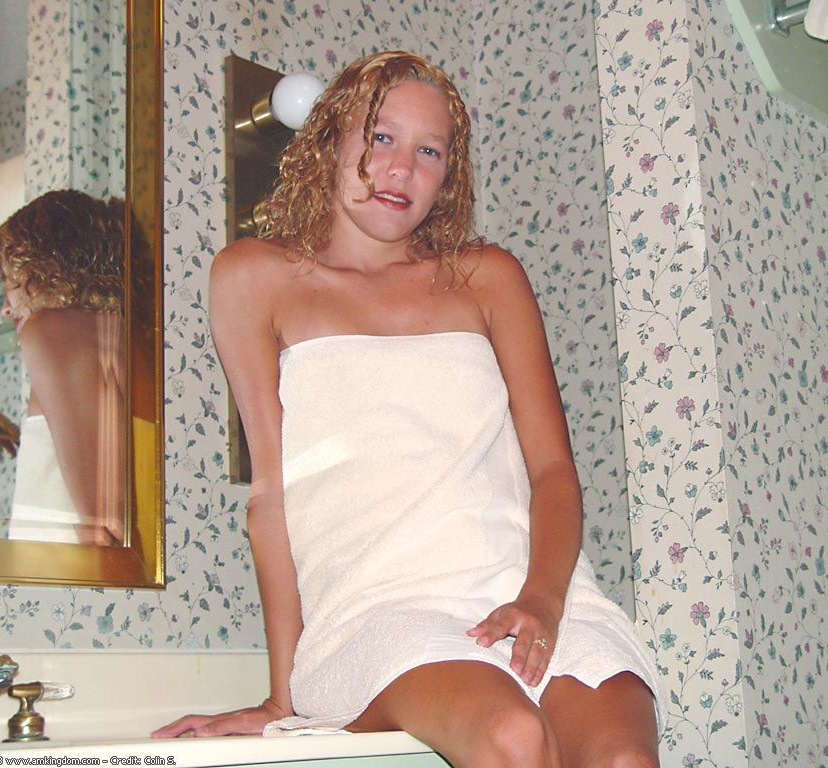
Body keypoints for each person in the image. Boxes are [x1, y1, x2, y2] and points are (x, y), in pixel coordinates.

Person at [153, 51, 666, 767]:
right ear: (330, 139)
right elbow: (271, 497)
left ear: (448, 175)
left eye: (430, 151)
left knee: (624, 760)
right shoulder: (253, 278)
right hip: (382, 609)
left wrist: (544, 600)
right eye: (381, 137)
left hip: (533, 592)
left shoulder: (487, 277)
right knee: (513, 738)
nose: (401, 169)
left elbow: (553, 470)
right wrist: (282, 698)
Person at [0, 189, 125, 547]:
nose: (6, 308)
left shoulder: (50, 332)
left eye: (10, 279)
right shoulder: (120, 337)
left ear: (45, 265)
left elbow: (105, 527)